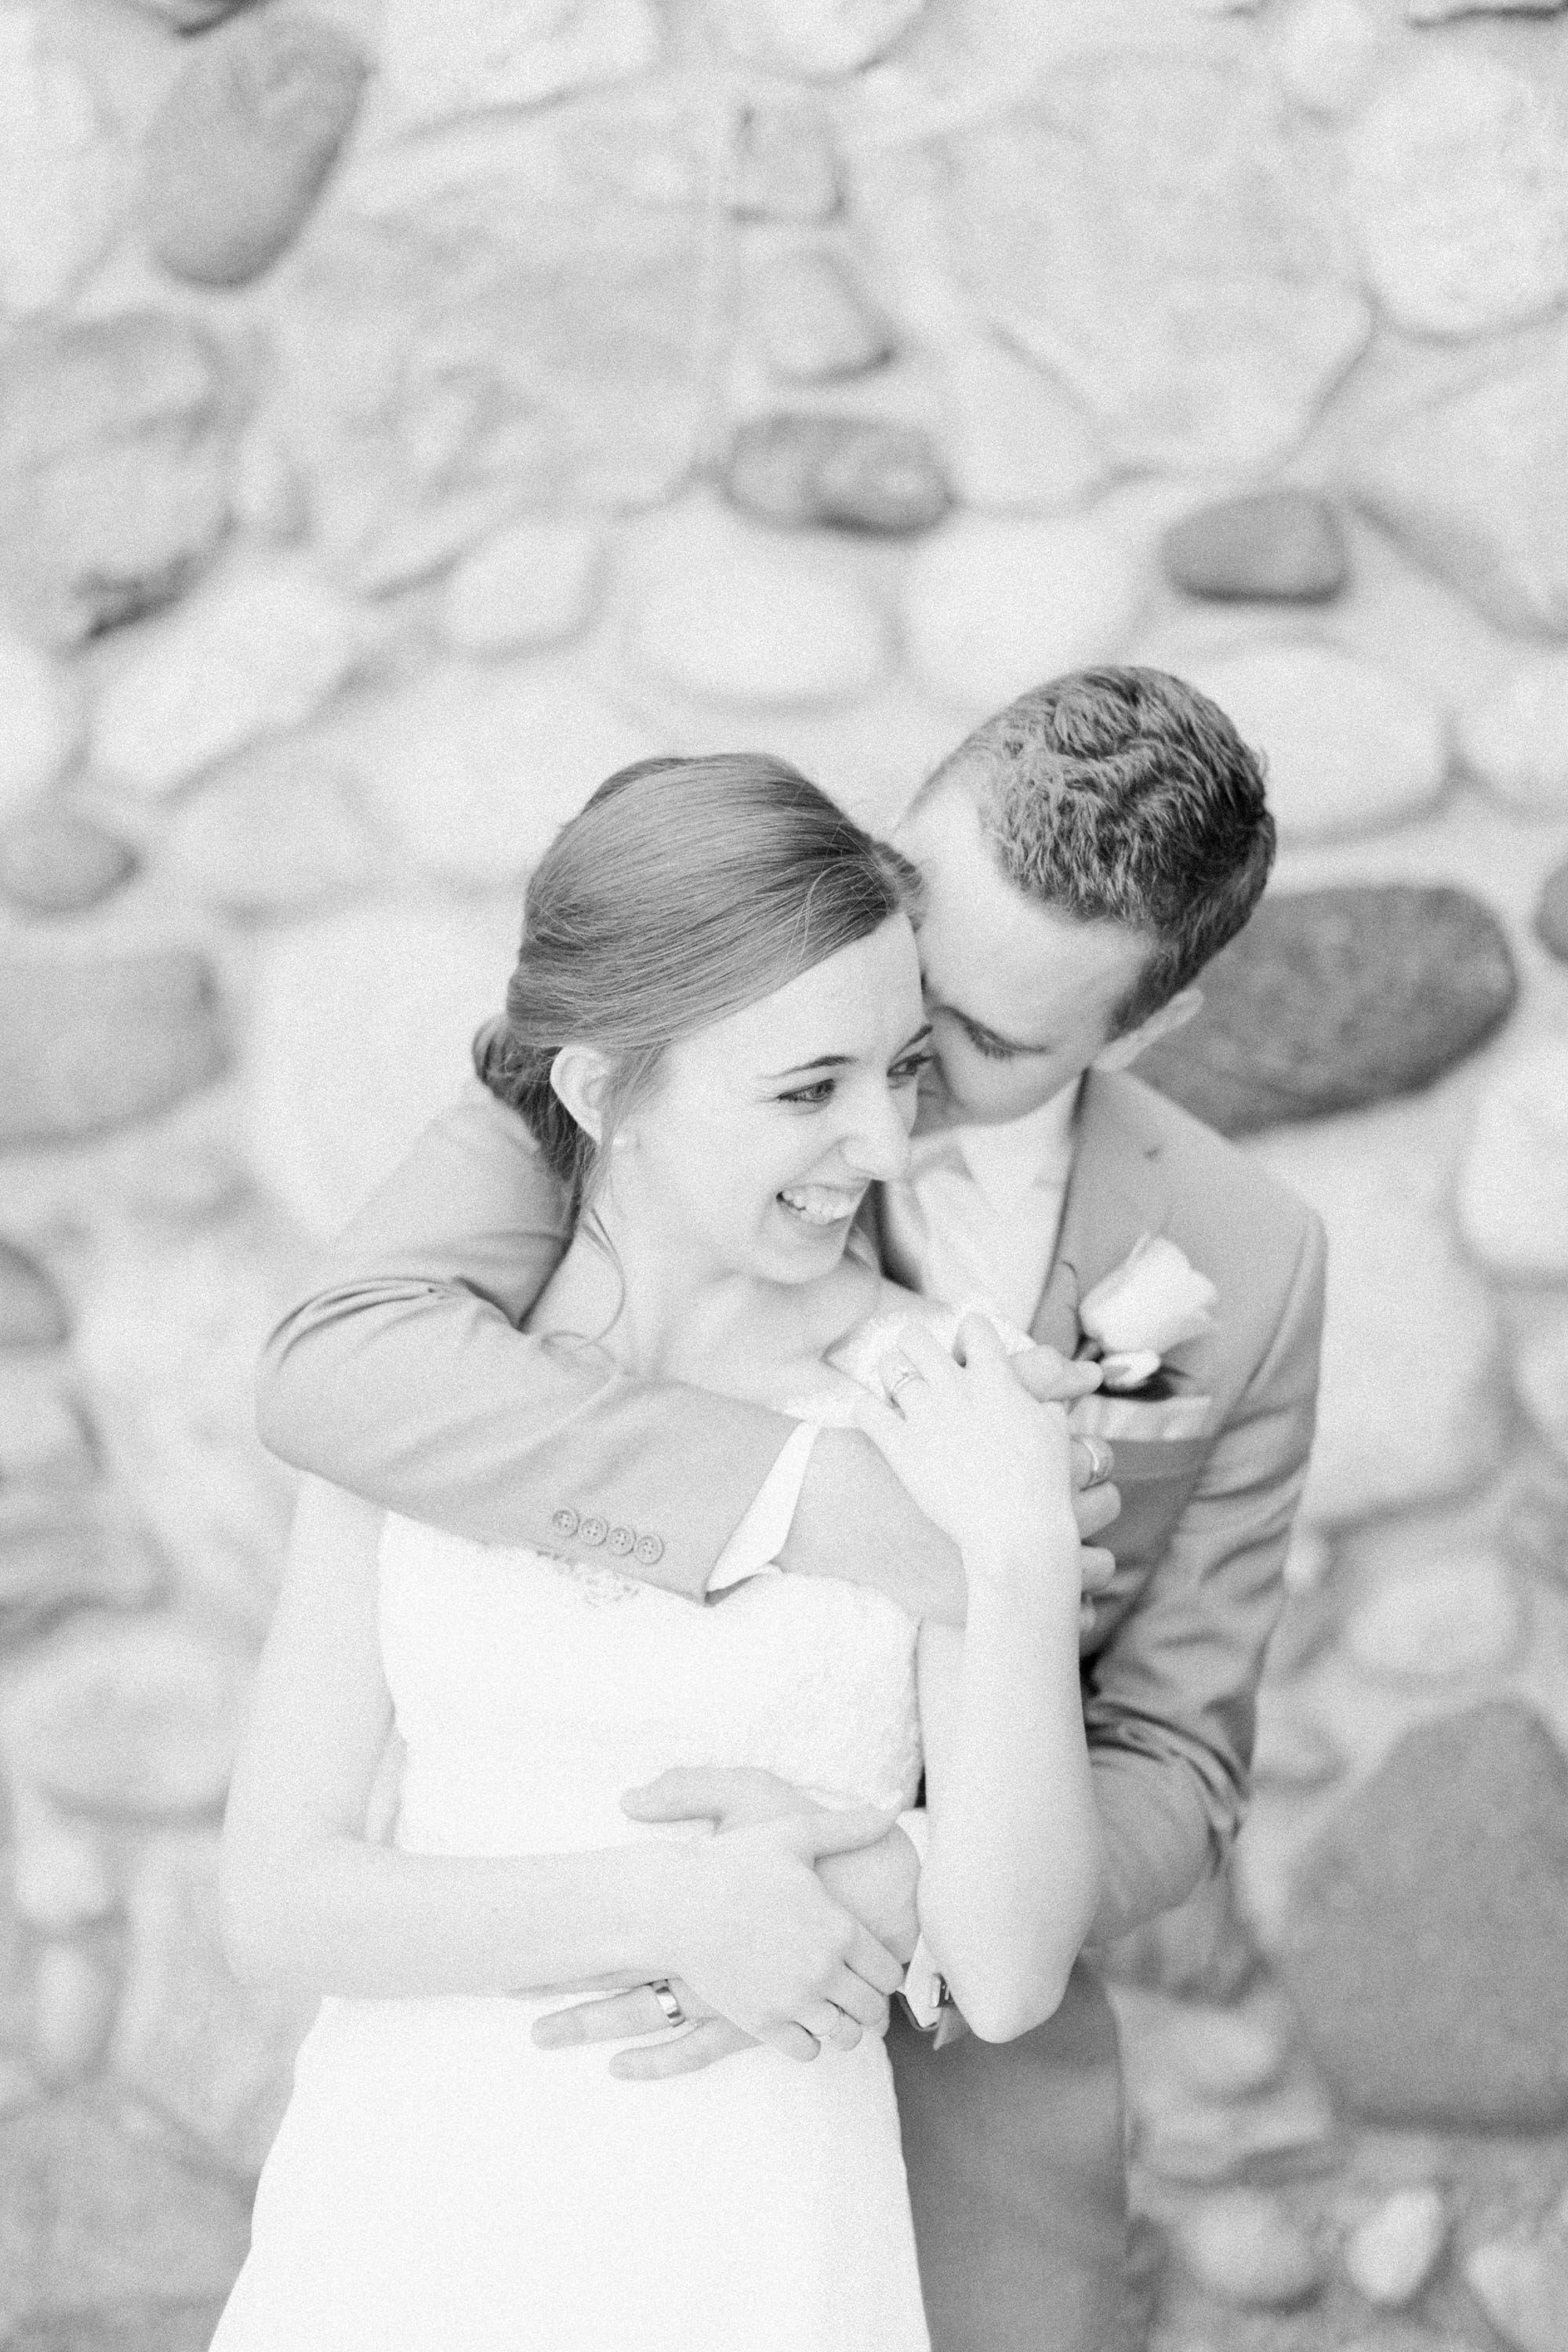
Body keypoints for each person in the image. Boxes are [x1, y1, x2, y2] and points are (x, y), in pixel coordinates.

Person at [257, 668, 1327, 2352]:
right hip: (458, 2144)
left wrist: (911, 1870)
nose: (887, 1129)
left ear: (1141, 1028)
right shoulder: (654, 1033)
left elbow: (1180, 1756)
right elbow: (338, 1370)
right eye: (909, 945)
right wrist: (815, 1499)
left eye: (960, 1048)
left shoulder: (1246, 1257)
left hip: (928, 2103)